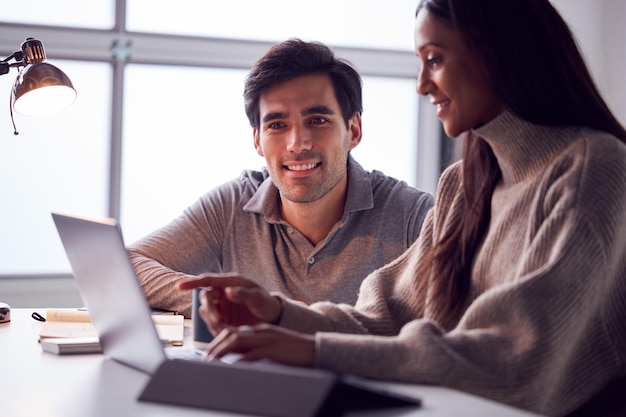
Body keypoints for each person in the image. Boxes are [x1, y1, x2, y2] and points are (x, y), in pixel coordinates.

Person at [178, 1, 626, 416]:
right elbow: (389, 314)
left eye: (434, 59)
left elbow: (516, 359)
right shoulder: (465, 183)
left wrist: (314, 350)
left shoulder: (594, 168)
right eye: (420, 63)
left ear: (499, 53)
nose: (421, 84)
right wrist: (275, 314)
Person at [128, 38, 434, 318]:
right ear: (258, 140)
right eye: (277, 125)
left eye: (317, 121)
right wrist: (223, 302)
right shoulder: (233, 205)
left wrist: (283, 316)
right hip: (259, 379)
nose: (297, 144)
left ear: (353, 130)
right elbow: (127, 263)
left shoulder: (413, 216)